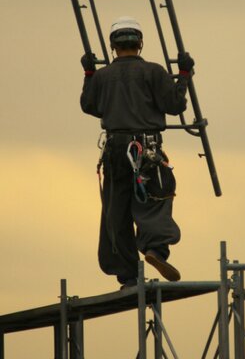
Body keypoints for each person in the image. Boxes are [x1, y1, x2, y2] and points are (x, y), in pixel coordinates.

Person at [80, 16, 194, 289]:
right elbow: (175, 105)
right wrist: (184, 76)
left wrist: (89, 75)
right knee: (155, 198)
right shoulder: (154, 72)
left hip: (114, 150)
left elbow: (90, 105)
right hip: (147, 149)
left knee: (116, 210)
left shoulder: (104, 76)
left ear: (113, 46)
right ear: (139, 43)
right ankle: (155, 249)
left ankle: (127, 275)